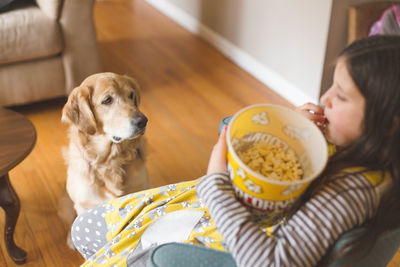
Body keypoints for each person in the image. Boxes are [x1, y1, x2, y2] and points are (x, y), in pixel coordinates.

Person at [70, 35, 400, 267]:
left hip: (236, 233)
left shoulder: (351, 193)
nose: (325, 98)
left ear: (388, 123)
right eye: (331, 85)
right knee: (84, 228)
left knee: (110, 240)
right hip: (246, 210)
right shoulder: (362, 152)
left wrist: (216, 180)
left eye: (341, 96)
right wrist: (293, 127)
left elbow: (269, 261)